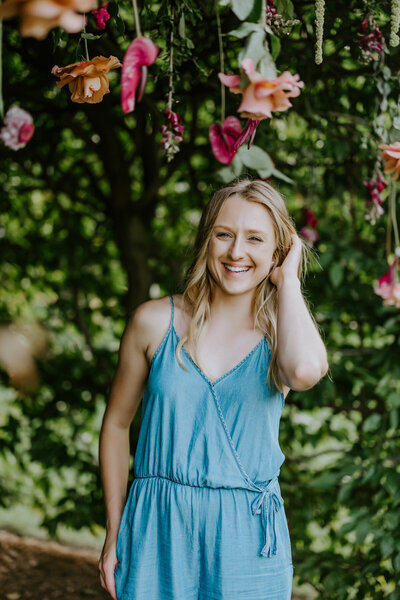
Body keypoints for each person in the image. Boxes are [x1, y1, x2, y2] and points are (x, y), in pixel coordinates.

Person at [98, 178, 329, 600]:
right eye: (224, 234)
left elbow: (303, 372)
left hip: (247, 540)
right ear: (207, 239)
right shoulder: (154, 322)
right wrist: (115, 530)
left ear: (277, 252)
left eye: (255, 239)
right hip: (157, 530)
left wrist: (289, 283)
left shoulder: (282, 335)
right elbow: (115, 425)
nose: (236, 252)